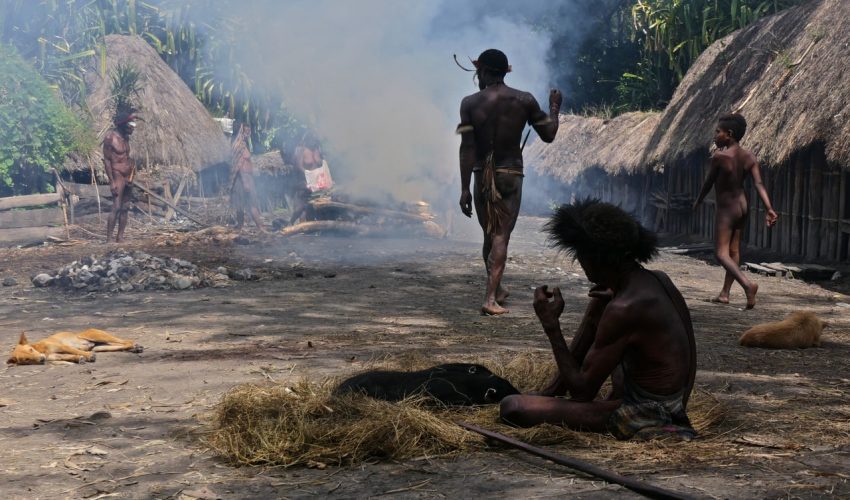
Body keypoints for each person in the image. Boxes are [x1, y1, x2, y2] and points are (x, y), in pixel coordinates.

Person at [499, 199, 697, 441]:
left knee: (514, 407)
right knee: (599, 304)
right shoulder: (657, 279)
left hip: (650, 413)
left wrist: (551, 326)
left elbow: (582, 392)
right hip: (675, 401)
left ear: (594, 259)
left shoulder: (625, 308)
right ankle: (553, 390)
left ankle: (553, 393)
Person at [457, 48, 562, 315]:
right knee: (501, 235)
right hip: (511, 174)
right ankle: (492, 296)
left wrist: (464, 188)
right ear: (504, 72)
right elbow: (549, 134)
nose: (477, 76)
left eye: (478, 72)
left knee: (490, 235)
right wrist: (554, 107)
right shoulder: (523, 100)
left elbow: (467, 148)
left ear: (484, 71)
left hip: (482, 175)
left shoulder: (469, 103)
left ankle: (495, 292)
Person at [693, 113, 778, 309]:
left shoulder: (720, 157)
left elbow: (708, 182)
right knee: (734, 250)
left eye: (717, 132)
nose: (714, 136)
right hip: (743, 205)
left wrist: (698, 200)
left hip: (727, 208)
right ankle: (725, 293)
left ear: (729, 134)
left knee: (721, 254)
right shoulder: (749, 156)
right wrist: (769, 209)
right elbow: (759, 184)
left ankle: (748, 285)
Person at [103, 112, 138, 243]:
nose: (133, 128)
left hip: (128, 175)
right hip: (117, 174)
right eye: (131, 125)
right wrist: (111, 182)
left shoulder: (126, 138)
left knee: (125, 207)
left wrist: (131, 173)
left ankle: (120, 237)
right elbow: (107, 161)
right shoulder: (110, 138)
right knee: (117, 207)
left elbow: (126, 157)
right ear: (123, 124)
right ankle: (108, 239)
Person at [229, 123, 266, 232]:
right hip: (241, 179)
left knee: (249, 203)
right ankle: (258, 227)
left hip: (247, 178)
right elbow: (239, 164)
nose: (248, 134)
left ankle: (248, 227)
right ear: (241, 131)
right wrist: (245, 181)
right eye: (246, 132)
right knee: (247, 204)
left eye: (249, 132)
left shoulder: (244, 145)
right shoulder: (239, 146)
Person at [289, 132, 330, 225]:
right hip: (303, 180)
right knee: (300, 207)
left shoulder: (317, 150)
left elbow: (321, 165)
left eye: (316, 141)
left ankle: (307, 225)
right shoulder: (301, 150)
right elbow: (298, 166)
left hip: (316, 181)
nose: (314, 142)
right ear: (308, 140)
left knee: (311, 205)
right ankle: (290, 223)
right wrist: (308, 175)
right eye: (313, 140)